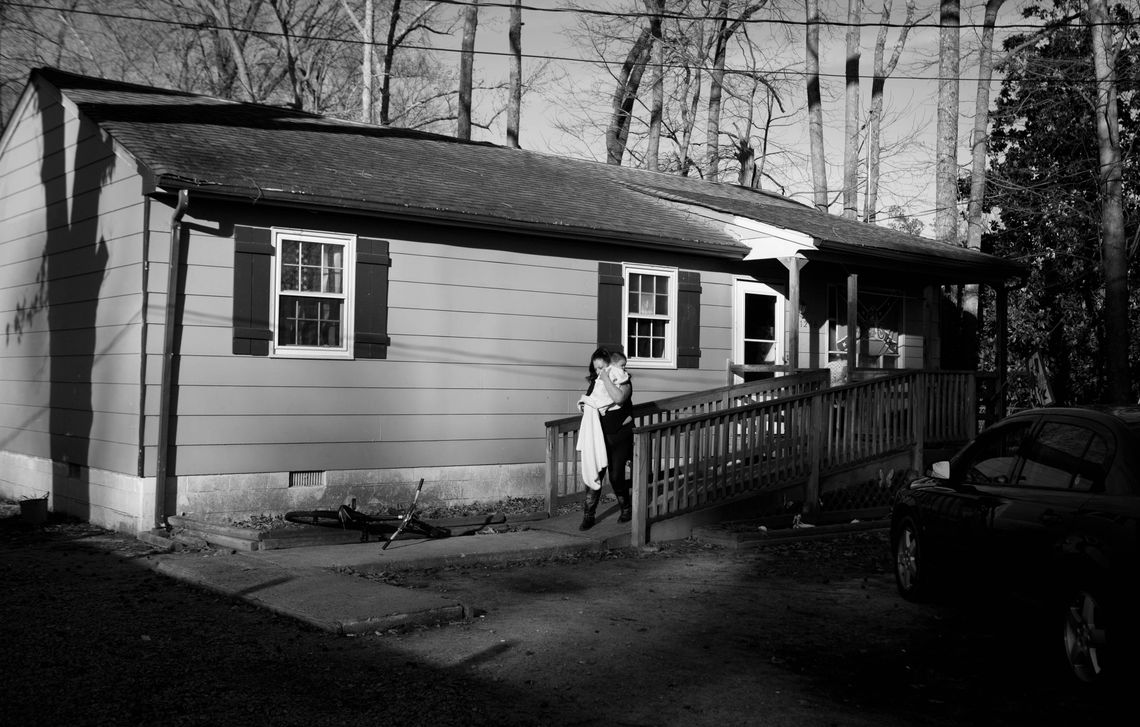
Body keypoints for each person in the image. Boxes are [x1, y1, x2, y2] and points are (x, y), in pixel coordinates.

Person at [577, 347, 634, 531]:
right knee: (595, 475)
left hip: (620, 435)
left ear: (609, 365)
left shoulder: (623, 380)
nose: (597, 372)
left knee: (616, 476)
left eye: (601, 367)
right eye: (595, 369)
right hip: (600, 436)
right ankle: (588, 516)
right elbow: (590, 401)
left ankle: (626, 509)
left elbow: (618, 398)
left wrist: (605, 377)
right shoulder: (596, 382)